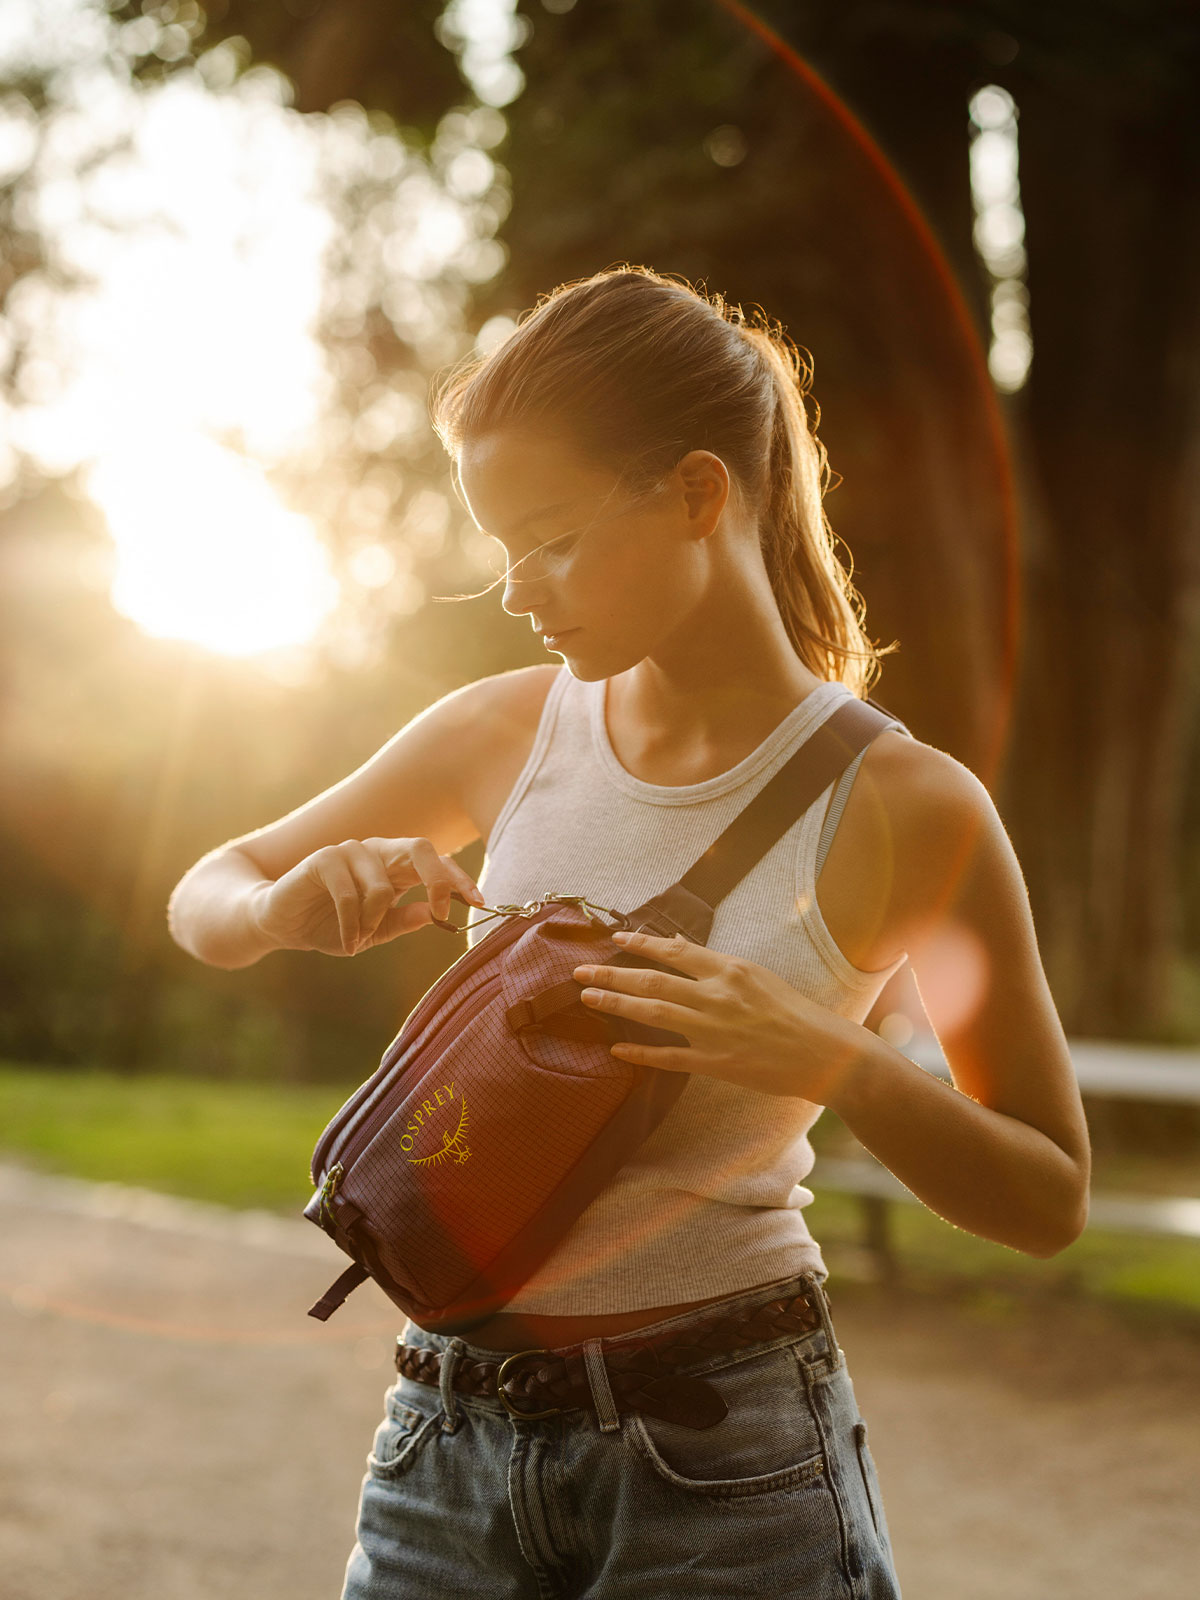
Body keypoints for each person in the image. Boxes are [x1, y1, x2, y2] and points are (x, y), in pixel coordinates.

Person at [167, 265, 1091, 1598]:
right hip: (445, 1441)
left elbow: (1048, 1196)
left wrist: (829, 1060)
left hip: (728, 1464)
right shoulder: (505, 732)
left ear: (698, 496)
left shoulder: (906, 812)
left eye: (548, 537)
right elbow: (212, 888)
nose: (515, 589)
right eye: (500, 548)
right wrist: (278, 906)